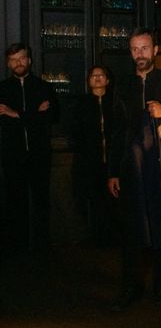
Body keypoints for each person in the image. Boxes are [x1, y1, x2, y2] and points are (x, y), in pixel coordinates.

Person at [107, 28, 161, 310]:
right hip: (131, 170)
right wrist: (113, 172)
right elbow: (116, 132)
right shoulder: (122, 86)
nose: (139, 54)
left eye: (144, 48)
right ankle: (130, 287)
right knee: (130, 230)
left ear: (155, 50)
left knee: (160, 226)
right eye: (134, 49)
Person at [0, 43, 58, 253]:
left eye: (22, 58)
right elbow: (3, 122)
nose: (18, 63)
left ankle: (41, 246)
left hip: (39, 154)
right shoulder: (2, 89)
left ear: (29, 60)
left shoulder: (44, 87)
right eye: (14, 60)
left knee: (41, 200)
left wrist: (14, 114)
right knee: (15, 201)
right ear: (8, 64)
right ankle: (17, 246)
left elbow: (51, 117)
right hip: (12, 155)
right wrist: (34, 114)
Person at [71, 65, 117, 247]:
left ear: (107, 80)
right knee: (92, 200)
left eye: (101, 75)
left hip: (113, 162)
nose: (97, 78)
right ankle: (94, 237)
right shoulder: (81, 103)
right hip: (89, 162)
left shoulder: (115, 102)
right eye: (93, 75)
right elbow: (74, 132)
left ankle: (112, 237)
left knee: (112, 201)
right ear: (88, 81)